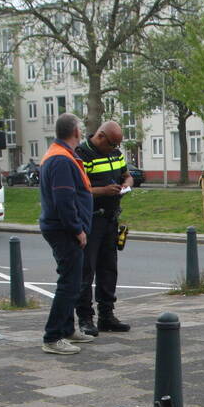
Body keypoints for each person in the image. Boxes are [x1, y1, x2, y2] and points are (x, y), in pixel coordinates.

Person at [39, 113, 93, 355]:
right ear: (76, 132)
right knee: (69, 283)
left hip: (59, 226)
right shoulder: (61, 160)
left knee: (71, 278)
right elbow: (64, 199)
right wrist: (77, 229)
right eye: (80, 128)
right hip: (63, 228)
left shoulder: (59, 154)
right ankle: (53, 336)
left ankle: (68, 329)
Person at [74, 121, 133, 336]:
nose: (114, 148)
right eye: (111, 144)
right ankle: (85, 318)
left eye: (117, 145)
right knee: (87, 270)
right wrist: (103, 191)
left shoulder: (115, 153)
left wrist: (127, 182)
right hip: (91, 220)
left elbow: (127, 174)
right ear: (100, 137)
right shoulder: (82, 154)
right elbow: (80, 189)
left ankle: (106, 316)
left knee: (109, 269)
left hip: (110, 219)